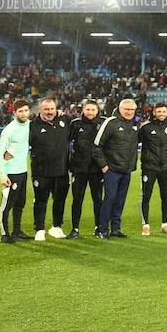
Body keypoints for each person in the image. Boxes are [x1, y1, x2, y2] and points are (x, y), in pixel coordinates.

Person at [92, 98, 140, 239]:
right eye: (127, 109)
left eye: (132, 110)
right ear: (120, 109)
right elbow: (96, 146)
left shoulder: (136, 123)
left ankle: (116, 228)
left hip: (127, 170)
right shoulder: (110, 122)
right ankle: (102, 229)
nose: (129, 112)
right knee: (110, 198)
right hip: (112, 170)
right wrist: (104, 166)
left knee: (120, 200)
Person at [28, 98, 71, 241]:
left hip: (62, 170)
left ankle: (56, 227)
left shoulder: (64, 121)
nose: (50, 112)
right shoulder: (33, 126)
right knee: (40, 201)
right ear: (40, 110)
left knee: (60, 200)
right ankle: (39, 229)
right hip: (41, 172)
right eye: (46, 109)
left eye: (52, 109)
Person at [0, 99, 32, 243]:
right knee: (7, 205)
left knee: (20, 203)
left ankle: (17, 231)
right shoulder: (9, 130)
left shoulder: (30, 125)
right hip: (10, 174)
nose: (23, 113)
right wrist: (2, 175)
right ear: (14, 112)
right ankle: (4, 234)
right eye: (20, 111)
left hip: (23, 171)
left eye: (26, 110)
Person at [138, 102, 167, 235]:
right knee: (146, 196)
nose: (161, 114)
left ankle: (165, 225)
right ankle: (145, 225)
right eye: (159, 111)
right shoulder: (146, 127)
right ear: (154, 112)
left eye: (164, 111)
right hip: (149, 167)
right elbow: (133, 142)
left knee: (166, 196)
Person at [67, 99, 105, 238]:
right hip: (79, 169)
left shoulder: (103, 123)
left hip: (97, 170)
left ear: (97, 111)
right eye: (87, 109)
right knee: (77, 199)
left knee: (98, 199)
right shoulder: (75, 124)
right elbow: (66, 143)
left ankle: (99, 228)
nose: (90, 112)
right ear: (83, 110)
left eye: (93, 110)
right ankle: (75, 229)